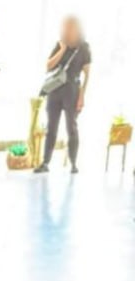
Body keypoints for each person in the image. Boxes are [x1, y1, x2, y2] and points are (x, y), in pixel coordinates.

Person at [34, 15, 92, 174]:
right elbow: (48, 66)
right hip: (55, 90)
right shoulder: (60, 44)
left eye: (70, 26)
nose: (67, 29)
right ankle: (45, 162)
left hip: (72, 90)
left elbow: (87, 74)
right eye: (65, 26)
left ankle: (73, 163)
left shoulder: (84, 47)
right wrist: (62, 49)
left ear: (77, 28)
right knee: (51, 127)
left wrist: (82, 95)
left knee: (71, 127)